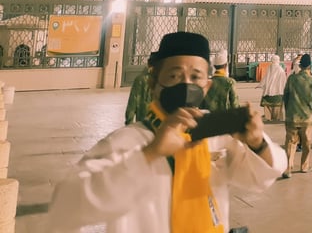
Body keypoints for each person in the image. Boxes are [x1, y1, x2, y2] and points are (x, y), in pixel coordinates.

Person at [48, 31, 287, 232]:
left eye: (195, 76)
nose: (185, 83)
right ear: (153, 83)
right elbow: (68, 203)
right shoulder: (128, 142)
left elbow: (262, 178)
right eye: (173, 75)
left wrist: (257, 143)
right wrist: (150, 154)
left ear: (207, 86)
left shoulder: (214, 133)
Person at [282, 53, 312, 178]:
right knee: (306, 142)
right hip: (306, 117)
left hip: (292, 116)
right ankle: (304, 166)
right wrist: (310, 113)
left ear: (301, 66)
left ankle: (288, 168)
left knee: (290, 143)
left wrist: (288, 110)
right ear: (310, 66)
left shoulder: (292, 79)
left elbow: (285, 96)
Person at [124, 52, 155, 125]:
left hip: (142, 122)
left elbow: (132, 103)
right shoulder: (162, 79)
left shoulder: (140, 79)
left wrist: (129, 123)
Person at [259, 54, 287, 122]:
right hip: (278, 92)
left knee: (268, 107)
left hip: (268, 92)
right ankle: (276, 118)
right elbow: (284, 81)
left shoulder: (269, 67)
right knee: (277, 108)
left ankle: (268, 117)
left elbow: (265, 78)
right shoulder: (280, 70)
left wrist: (260, 85)